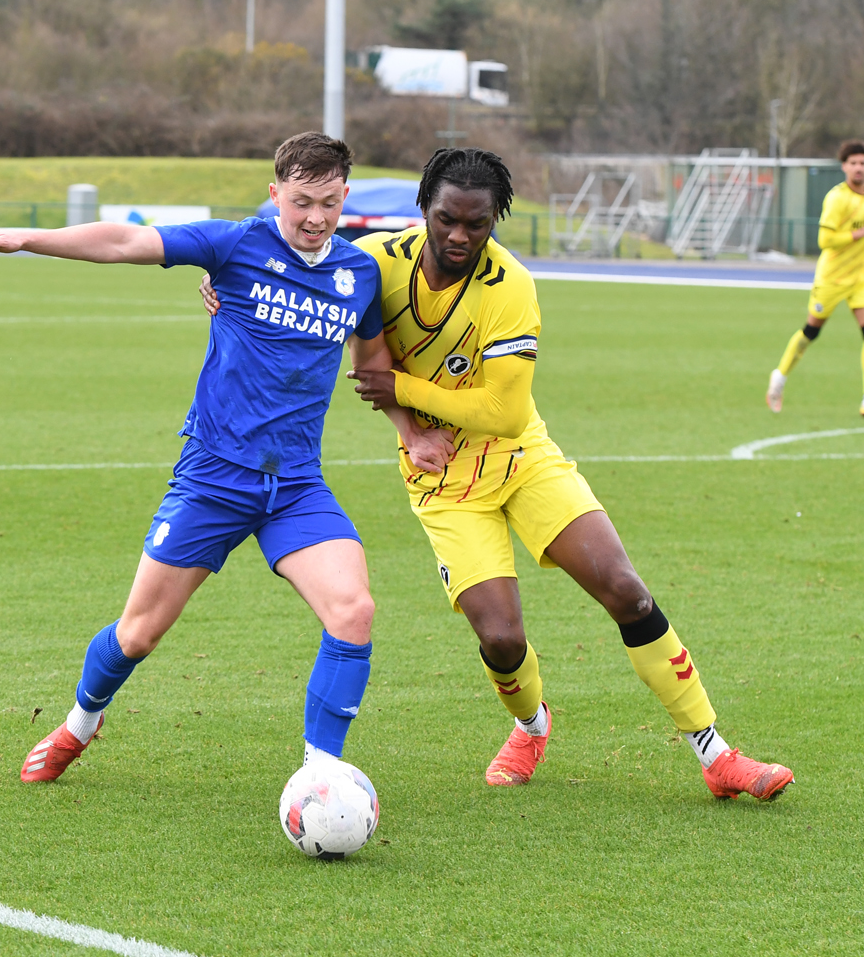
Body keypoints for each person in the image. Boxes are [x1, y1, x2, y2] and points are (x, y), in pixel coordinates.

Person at [201, 148, 795, 800]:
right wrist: (227, 292)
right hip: (444, 483)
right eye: (447, 219)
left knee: (626, 590)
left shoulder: (509, 285)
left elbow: (503, 413)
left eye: (477, 224)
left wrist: (398, 384)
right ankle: (531, 727)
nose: (460, 236)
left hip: (522, 460)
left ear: (494, 221)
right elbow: (288, 283)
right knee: (502, 639)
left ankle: (716, 754)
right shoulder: (373, 264)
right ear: (422, 209)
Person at [0, 132, 389, 784]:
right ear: (275, 195)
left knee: (354, 611)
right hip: (214, 479)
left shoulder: (361, 274)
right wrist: (24, 238)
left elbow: (374, 365)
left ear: (345, 196)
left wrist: (418, 424)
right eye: (301, 202)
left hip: (295, 488)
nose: (315, 218)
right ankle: (80, 724)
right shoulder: (236, 244)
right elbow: (127, 241)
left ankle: (321, 775)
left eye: (328, 202)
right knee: (138, 634)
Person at [768, 139, 864, 419]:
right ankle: (779, 377)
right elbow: (825, 239)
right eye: (853, 163)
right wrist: (863, 236)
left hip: (861, 276)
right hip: (831, 278)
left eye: (863, 163)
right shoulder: (837, 198)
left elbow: (861, 228)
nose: (858, 168)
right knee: (811, 332)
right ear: (844, 167)